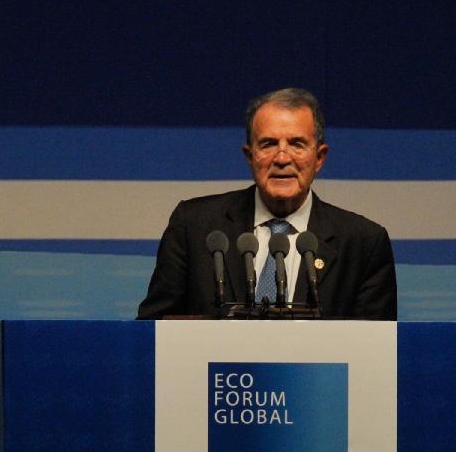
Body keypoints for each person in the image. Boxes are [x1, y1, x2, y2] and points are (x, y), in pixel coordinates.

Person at [137, 88, 397, 319]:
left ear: (319, 158)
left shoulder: (363, 243)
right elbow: (153, 331)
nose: (282, 158)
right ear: (250, 156)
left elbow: (376, 354)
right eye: (268, 144)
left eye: (297, 144)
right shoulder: (193, 225)